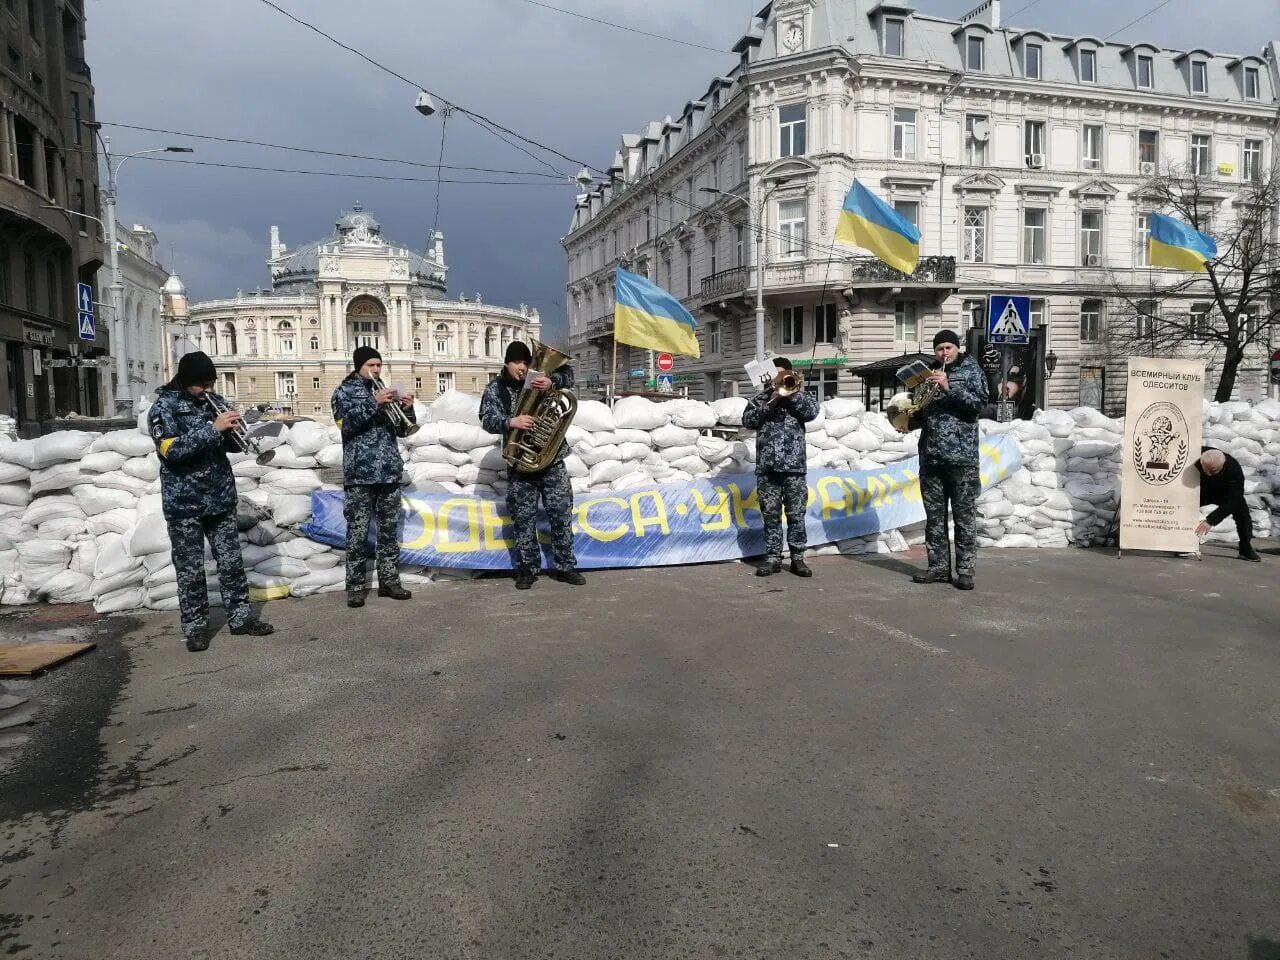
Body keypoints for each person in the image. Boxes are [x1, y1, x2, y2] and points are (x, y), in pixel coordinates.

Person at [147, 351, 273, 652]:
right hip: (184, 502)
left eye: (211, 384)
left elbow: (229, 446)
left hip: (219, 497)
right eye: (201, 385)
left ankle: (241, 619)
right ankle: (196, 628)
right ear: (186, 381)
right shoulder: (163, 408)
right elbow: (172, 451)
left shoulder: (212, 403)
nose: (208, 390)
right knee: (190, 569)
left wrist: (235, 431)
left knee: (231, 563)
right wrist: (212, 429)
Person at [480, 341, 582, 590]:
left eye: (526, 362)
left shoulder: (541, 377)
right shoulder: (496, 388)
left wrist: (552, 382)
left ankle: (566, 565)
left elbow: (569, 374)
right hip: (520, 462)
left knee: (560, 512)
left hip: (552, 458)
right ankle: (528, 568)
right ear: (507, 364)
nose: (523, 368)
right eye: (517, 363)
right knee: (523, 517)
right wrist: (510, 421)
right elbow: (486, 419)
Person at [332, 346, 417, 607]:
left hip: (389, 471)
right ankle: (356, 586)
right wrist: (374, 403)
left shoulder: (384, 389)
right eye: (371, 365)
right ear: (359, 365)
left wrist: (408, 409)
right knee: (357, 532)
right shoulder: (344, 391)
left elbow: (403, 430)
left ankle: (389, 581)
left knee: (389, 531)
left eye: (379, 365)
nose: (376, 370)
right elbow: (344, 425)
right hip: (360, 474)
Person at [911, 330, 990, 590]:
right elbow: (922, 411)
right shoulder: (928, 373)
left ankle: (965, 570)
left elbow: (979, 405)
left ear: (957, 348)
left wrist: (949, 387)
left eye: (948, 348)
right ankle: (938, 567)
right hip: (931, 456)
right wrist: (907, 419)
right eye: (939, 349)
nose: (944, 353)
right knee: (934, 517)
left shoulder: (971, 369)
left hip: (961, 457)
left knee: (963, 516)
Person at [742, 357, 820, 577]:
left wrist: (791, 395)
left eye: (781, 374)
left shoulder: (801, 396)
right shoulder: (760, 399)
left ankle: (798, 559)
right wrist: (771, 402)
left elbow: (811, 413)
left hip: (794, 467)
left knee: (796, 514)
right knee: (770, 515)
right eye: (774, 374)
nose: (777, 378)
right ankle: (773, 558)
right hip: (767, 468)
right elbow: (748, 420)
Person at [1195, 447, 1261, 562]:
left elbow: (1234, 499)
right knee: (1184, 505)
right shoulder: (1196, 455)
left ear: (1223, 464)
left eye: (1213, 471)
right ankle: (1180, 543)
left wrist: (1211, 520)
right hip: (1201, 490)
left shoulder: (1234, 469)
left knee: (1243, 513)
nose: (1209, 474)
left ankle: (1245, 548)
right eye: (1206, 470)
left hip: (1225, 493)